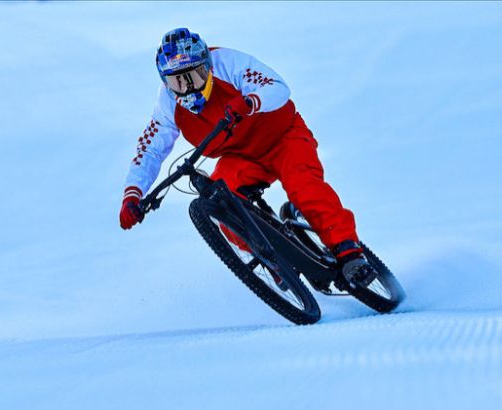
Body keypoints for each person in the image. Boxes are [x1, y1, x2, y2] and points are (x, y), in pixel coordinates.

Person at [119, 28, 375, 286]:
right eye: (177, 82)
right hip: (242, 158)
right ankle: (273, 260)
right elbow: (150, 149)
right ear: (165, 82)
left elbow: (276, 86)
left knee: (304, 186)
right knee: (221, 201)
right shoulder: (167, 105)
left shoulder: (227, 63)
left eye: (194, 77)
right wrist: (134, 194)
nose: (187, 88)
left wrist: (251, 101)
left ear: (207, 67)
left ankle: (349, 252)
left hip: (284, 138)